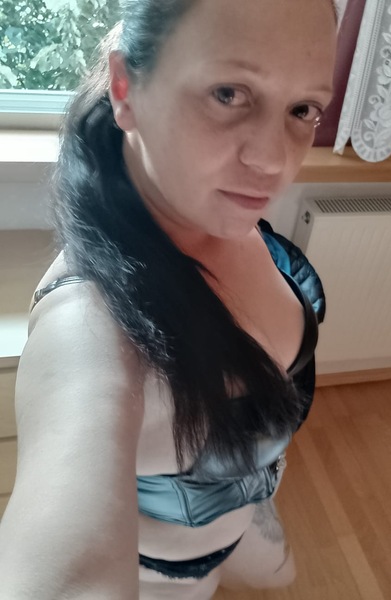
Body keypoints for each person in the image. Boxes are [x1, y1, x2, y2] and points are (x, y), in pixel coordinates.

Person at [0, 0, 337, 598]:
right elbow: (67, 573)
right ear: (125, 88)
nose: (274, 160)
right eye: (228, 94)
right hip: (170, 575)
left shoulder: (212, 205)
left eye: (302, 109)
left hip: (246, 507)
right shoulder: (87, 325)